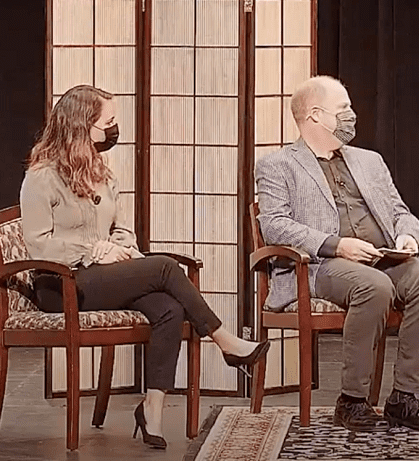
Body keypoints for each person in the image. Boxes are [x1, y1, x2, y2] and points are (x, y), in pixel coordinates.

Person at [19, 85, 269, 450]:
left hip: (101, 276)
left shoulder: (102, 173)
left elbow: (122, 229)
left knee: (169, 308)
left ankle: (152, 409)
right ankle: (224, 340)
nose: (114, 129)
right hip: (61, 285)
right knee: (165, 268)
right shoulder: (41, 177)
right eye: (109, 121)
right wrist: (93, 250)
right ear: (82, 125)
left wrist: (122, 248)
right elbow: (38, 243)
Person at [255, 75, 419, 433]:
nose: (352, 115)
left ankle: (404, 396)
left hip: (384, 259)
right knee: (373, 286)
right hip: (320, 265)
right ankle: (352, 400)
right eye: (343, 109)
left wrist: (407, 235)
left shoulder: (369, 161)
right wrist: (336, 244)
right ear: (315, 115)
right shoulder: (278, 165)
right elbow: (275, 226)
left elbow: (399, 210)